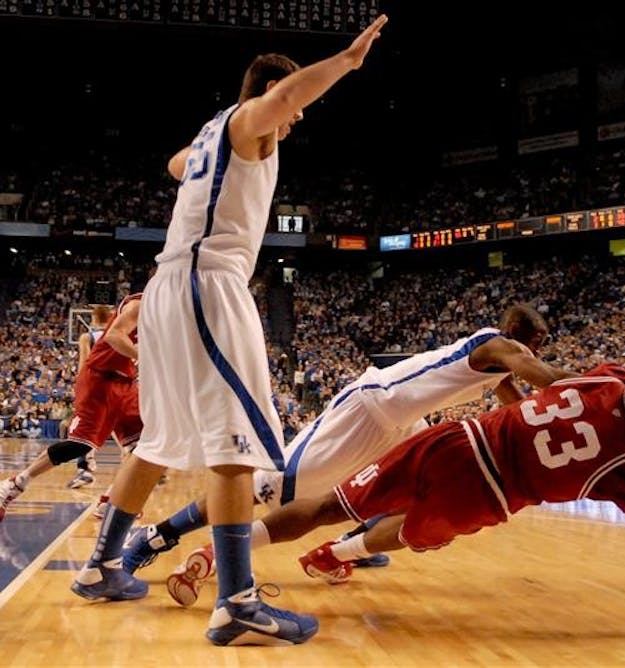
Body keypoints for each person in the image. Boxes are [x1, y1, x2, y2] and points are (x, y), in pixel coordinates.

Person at [70, 15, 389, 650]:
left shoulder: (214, 133)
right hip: (206, 285)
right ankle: (238, 604)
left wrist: (203, 160)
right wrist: (348, 62)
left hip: (168, 288)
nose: (296, 117)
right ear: (269, 92)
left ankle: (101, 566)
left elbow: (176, 163)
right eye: (288, 104)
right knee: (236, 447)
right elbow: (284, 98)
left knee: (156, 442)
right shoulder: (249, 122)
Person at [230, 364, 625, 640]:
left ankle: (226, 550)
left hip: (459, 438)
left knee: (330, 503)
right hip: (484, 492)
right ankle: (337, 554)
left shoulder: (610, 378)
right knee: (407, 533)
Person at [122, 305, 574, 606]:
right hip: (372, 406)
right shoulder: (502, 346)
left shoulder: (497, 362)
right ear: (519, 334)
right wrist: (601, 385)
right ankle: (159, 535)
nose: (540, 348)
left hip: (402, 423)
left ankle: (344, 550)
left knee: (420, 491)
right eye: (539, 340)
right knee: (270, 488)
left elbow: (519, 404)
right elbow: (545, 378)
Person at [0, 295, 142, 521]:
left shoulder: (172, 318)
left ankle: (112, 500)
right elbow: (114, 336)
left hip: (126, 383)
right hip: (99, 379)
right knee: (79, 445)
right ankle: (16, 483)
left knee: (143, 445)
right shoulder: (139, 305)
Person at [67, 304, 113, 489]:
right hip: (118, 386)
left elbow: (84, 365)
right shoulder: (118, 335)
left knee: (84, 429)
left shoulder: (88, 337)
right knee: (120, 430)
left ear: (93, 318)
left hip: (95, 386)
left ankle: (84, 470)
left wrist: (80, 388)